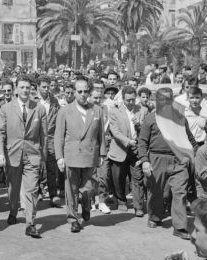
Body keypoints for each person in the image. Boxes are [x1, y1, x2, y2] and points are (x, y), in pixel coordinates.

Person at [137, 88, 198, 239]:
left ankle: (180, 227)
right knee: (157, 191)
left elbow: (190, 140)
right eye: (162, 99)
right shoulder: (150, 119)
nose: (165, 102)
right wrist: (145, 160)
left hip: (179, 160)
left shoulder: (180, 118)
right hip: (157, 159)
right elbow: (142, 142)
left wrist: (197, 155)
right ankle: (155, 217)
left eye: (168, 99)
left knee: (180, 192)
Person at [0, 76, 47, 238]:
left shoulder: (39, 108)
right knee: (13, 188)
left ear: (32, 89)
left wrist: (43, 157)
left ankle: (30, 223)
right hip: (12, 155)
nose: (25, 90)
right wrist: (0, 154)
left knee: (31, 189)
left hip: (32, 155)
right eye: (22, 87)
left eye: (28, 87)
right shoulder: (6, 109)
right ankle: (13, 210)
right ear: (16, 89)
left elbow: (44, 135)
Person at [55, 77, 106, 233]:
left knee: (88, 188)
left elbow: (101, 135)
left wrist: (102, 153)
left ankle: (85, 203)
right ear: (74, 93)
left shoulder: (96, 110)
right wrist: (59, 157)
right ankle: (73, 219)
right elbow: (59, 136)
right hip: (72, 155)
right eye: (80, 91)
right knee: (71, 189)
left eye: (86, 91)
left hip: (91, 155)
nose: (83, 94)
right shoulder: (64, 111)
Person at [107, 86, 146, 216]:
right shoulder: (114, 111)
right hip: (120, 148)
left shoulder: (142, 110)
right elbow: (115, 132)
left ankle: (138, 206)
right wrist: (128, 141)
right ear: (123, 98)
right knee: (119, 177)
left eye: (133, 100)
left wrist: (139, 125)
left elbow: (146, 131)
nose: (131, 102)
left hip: (136, 149)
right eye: (128, 100)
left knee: (137, 177)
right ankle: (121, 200)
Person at [37, 76, 62, 207]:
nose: (47, 89)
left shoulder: (54, 101)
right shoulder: (33, 101)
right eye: (44, 87)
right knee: (37, 167)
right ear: (38, 87)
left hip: (51, 138)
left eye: (48, 87)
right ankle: (38, 191)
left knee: (51, 168)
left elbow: (58, 119)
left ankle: (53, 195)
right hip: (36, 138)